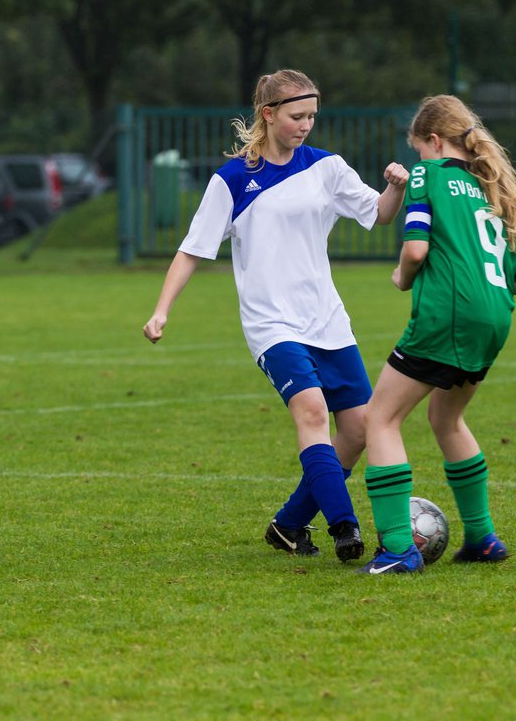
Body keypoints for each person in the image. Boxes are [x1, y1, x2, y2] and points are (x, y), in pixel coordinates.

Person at [141, 69, 409, 562]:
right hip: (272, 325)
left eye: (311, 116)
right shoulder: (233, 179)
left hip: (328, 319)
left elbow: (380, 214)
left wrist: (395, 186)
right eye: (296, 116)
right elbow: (191, 251)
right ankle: (344, 527)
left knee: (358, 429)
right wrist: (161, 312)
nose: (306, 125)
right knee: (310, 412)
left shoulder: (326, 167)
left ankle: (289, 524)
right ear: (268, 114)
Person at [356, 94, 516, 575]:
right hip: (494, 318)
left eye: (419, 149)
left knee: (379, 419)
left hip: (448, 313)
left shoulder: (427, 174)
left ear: (434, 140)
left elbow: (417, 250)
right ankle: (483, 538)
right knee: (447, 419)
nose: (419, 159)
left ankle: (399, 550)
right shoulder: (494, 188)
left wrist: (402, 278)